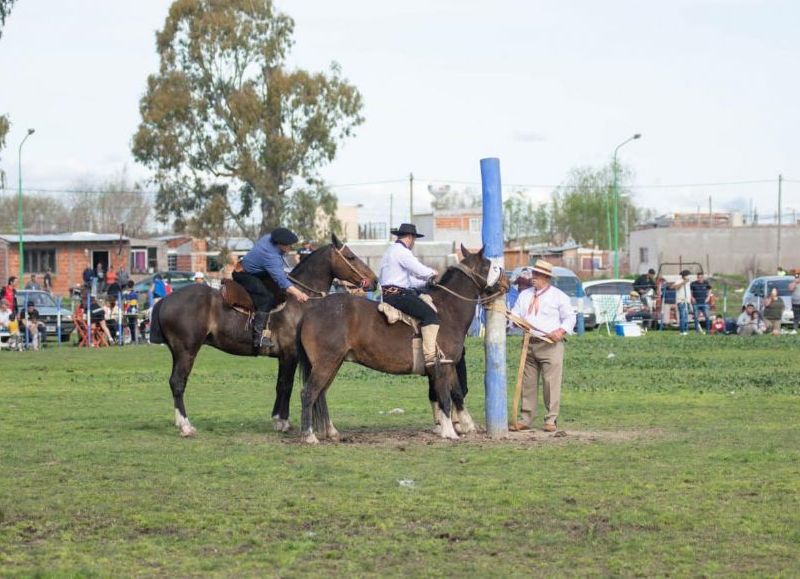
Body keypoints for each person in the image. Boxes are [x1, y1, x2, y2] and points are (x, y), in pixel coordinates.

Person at [510, 259, 575, 433]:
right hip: (529, 344)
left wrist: (561, 331)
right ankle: (526, 418)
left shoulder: (559, 296)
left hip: (550, 346)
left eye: (537, 275)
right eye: (533, 274)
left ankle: (551, 419)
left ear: (546, 277)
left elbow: (570, 317)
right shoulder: (524, 295)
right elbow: (515, 313)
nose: (533, 278)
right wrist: (515, 321)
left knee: (550, 383)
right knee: (528, 384)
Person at [379, 223, 446, 367]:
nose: (414, 242)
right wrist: (432, 274)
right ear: (410, 237)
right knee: (430, 316)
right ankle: (430, 358)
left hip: (391, 293)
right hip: (398, 296)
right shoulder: (402, 252)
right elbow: (418, 269)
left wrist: (425, 283)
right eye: (414, 239)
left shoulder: (390, 251)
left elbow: (409, 280)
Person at [234, 227, 309, 350]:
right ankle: (258, 337)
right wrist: (298, 293)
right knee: (266, 298)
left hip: (257, 271)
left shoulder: (269, 237)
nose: (290, 248)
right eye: (289, 246)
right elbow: (281, 280)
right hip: (244, 274)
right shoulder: (271, 256)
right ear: (280, 244)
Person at [671, 270, 692, 335]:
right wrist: (683, 282)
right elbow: (673, 287)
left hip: (687, 301)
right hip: (681, 301)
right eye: (687, 275)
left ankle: (685, 330)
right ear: (684, 276)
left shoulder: (688, 282)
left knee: (686, 316)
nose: (689, 276)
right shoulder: (679, 281)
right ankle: (682, 331)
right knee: (682, 316)